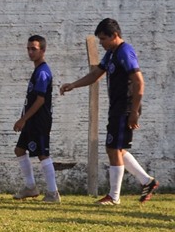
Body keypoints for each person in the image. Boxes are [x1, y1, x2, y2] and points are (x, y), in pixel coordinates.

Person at [60, 18, 159, 204]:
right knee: (116, 148)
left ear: (115, 36)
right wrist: (73, 84)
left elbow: (139, 82)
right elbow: (95, 74)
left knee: (113, 148)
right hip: (117, 107)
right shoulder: (112, 53)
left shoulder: (125, 52)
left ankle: (114, 197)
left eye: (103, 39)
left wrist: (134, 111)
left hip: (125, 108)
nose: (101, 43)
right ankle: (147, 181)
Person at [13, 35, 60, 203]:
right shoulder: (37, 70)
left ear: (43, 50)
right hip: (31, 120)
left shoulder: (43, 72)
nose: (30, 52)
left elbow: (40, 100)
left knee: (42, 154)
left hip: (39, 120)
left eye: (34, 49)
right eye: (28, 49)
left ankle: (53, 193)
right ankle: (30, 186)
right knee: (19, 150)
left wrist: (23, 119)